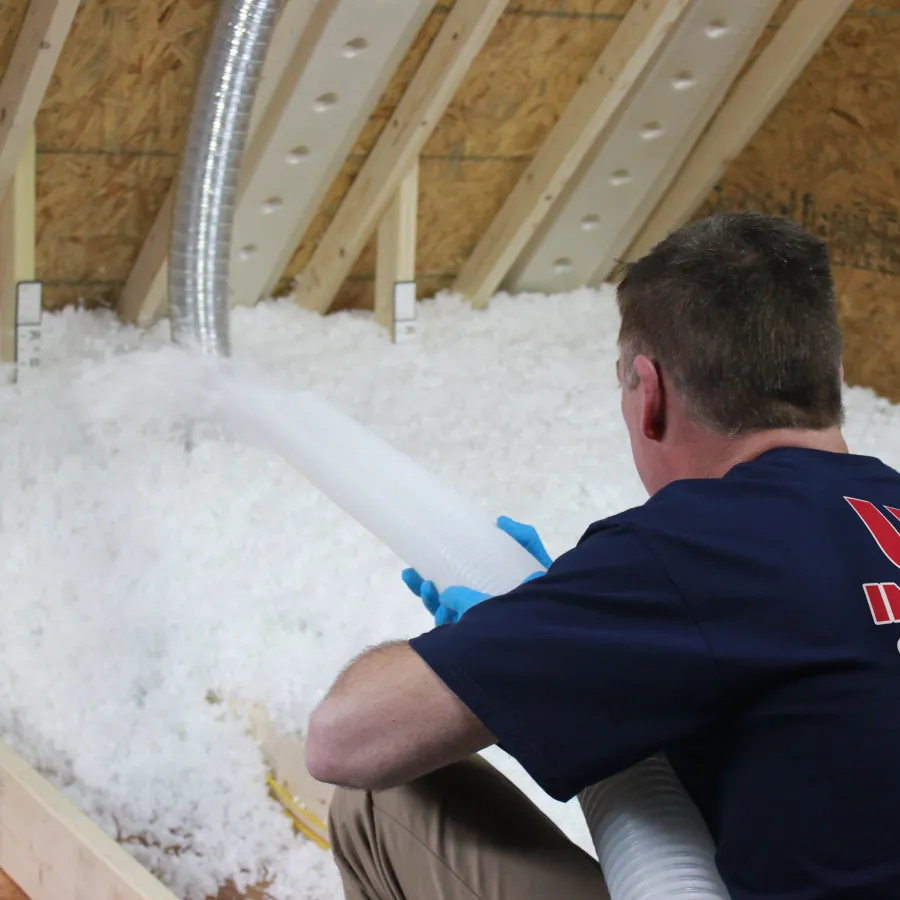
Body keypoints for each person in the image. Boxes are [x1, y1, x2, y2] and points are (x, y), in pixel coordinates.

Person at [305, 212, 900, 900]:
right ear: (833, 376)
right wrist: (578, 637)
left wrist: (496, 649)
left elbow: (344, 741)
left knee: (381, 808)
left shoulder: (701, 545)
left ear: (650, 394)